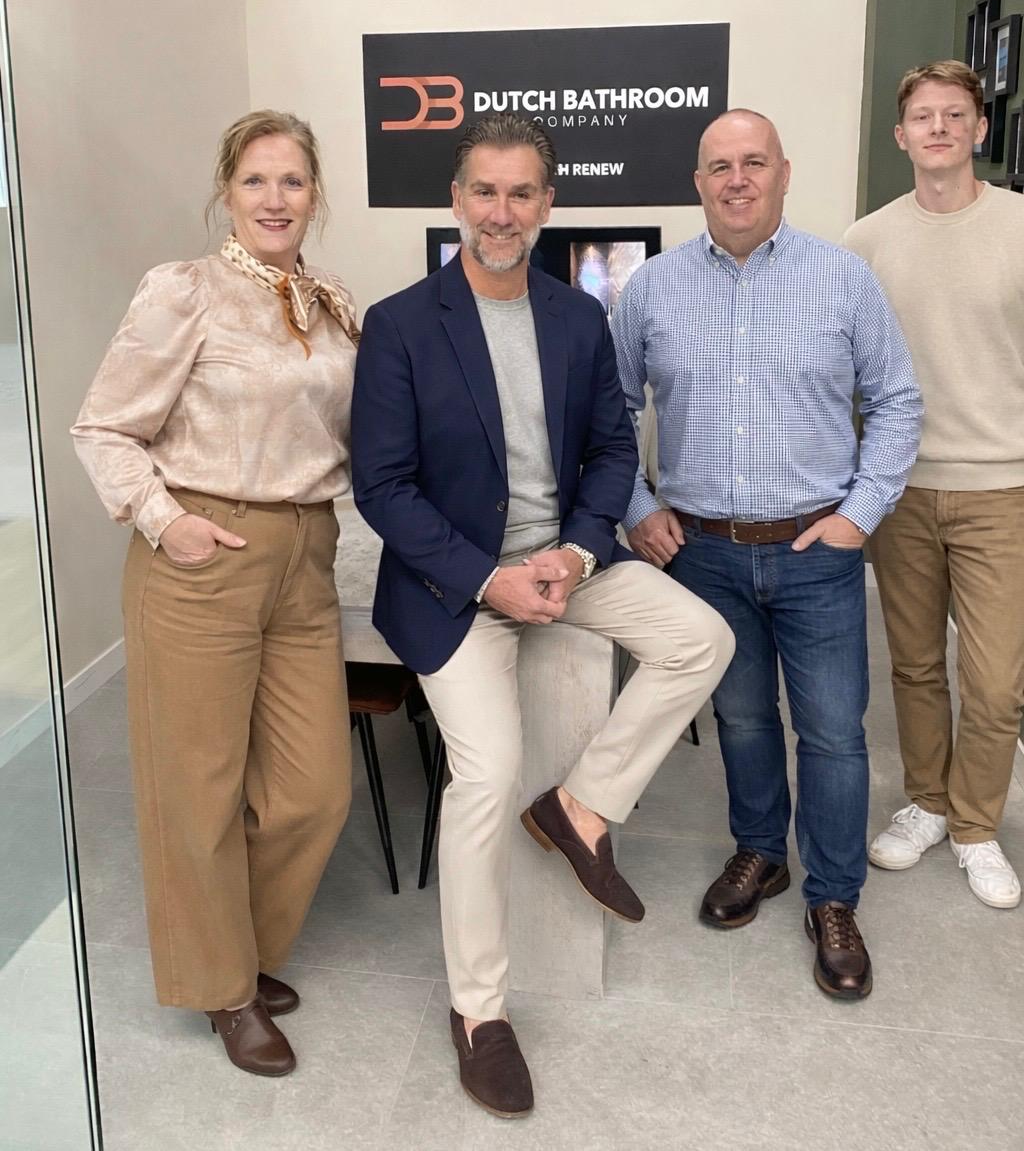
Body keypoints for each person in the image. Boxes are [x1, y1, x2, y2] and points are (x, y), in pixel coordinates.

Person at [351, 114, 733, 1117]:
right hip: (455, 583)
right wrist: (491, 580)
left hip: (567, 561)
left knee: (703, 637)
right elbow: (383, 488)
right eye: (485, 190)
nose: (501, 211)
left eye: (523, 193)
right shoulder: (399, 323)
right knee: (482, 768)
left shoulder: (575, 318)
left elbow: (612, 453)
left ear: (548, 205)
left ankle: (580, 805)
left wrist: (568, 552)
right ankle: (479, 1011)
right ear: (456, 199)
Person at [72, 110, 359, 1075]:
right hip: (202, 549)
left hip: (305, 558)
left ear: (316, 194)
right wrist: (166, 520)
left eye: (293, 181)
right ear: (226, 193)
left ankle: (242, 946)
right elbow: (104, 427)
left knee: (313, 790)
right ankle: (224, 986)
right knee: (194, 789)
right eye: (256, 181)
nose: (276, 198)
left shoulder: (332, 304)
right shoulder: (183, 290)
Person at [612, 109, 921, 1001]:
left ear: (785, 173)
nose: (737, 179)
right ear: (698, 180)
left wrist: (861, 513)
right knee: (743, 721)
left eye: (754, 163)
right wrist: (637, 506)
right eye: (719, 166)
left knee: (830, 732)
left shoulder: (843, 280)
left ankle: (833, 898)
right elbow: (607, 410)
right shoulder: (654, 289)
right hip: (704, 554)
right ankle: (760, 853)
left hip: (817, 546)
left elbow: (897, 401)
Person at [843, 61, 1024, 910]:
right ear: (902, 135)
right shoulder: (866, 242)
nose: (941, 128)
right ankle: (927, 799)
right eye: (924, 116)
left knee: (994, 682)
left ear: (980, 130)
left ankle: (977, 826)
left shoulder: (1020, 226)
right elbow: (842, 370)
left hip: (1003, 489)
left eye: (956, 114)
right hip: (900, 488)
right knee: (915, 665)